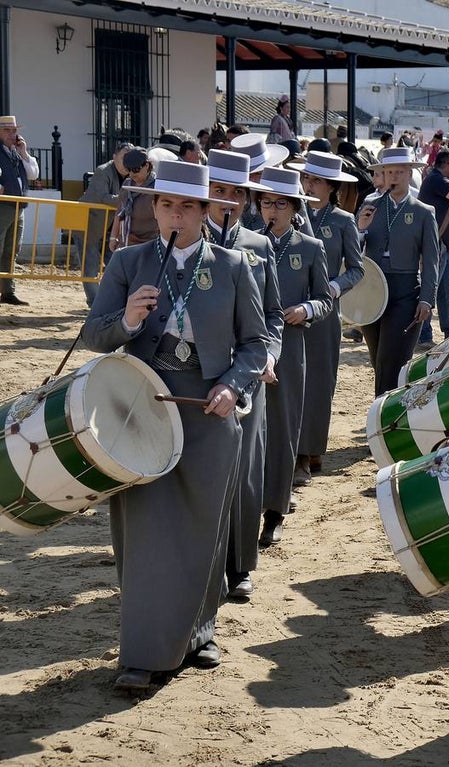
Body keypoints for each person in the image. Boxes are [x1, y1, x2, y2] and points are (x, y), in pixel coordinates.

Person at [80, 160, 266, 693]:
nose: (175, 215)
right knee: (145, 531)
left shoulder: (233, 266)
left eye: (187, 206)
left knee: (203, 527)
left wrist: (233, 385)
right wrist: (128, 320)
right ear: (153, 208)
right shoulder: (128, 261)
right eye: (165, 205)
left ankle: (199, 633)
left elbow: (256, 343)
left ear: (206, 212)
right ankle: (142, 654)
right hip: (139, 411)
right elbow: (93, 335)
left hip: (208, 412)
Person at [203, 149, 282, 600]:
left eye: (236, 193)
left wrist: (270, 354)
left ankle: (241, 566)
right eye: (219, 191)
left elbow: (273, 314)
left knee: (247, 470)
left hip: (249, 373)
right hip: (202, 375)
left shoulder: (259, 245)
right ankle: (205, 566)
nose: (228, 201)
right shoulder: (188, 242)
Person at [254, 167, 332, 548]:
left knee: (284, 428)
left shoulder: (310, 248)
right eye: (266, 202)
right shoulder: (248, 243)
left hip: (290, 345)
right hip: (251, 345)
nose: (272, 210)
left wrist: (306, 309)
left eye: (280, 204)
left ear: (295, 207)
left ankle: (276, 511)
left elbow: (325, 299)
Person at [291, 151, 365, 483]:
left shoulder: (343, 221)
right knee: (291, 380)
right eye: (306, 178)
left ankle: (310, 451)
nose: (309, 185)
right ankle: (290, 449)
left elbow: (356, 269)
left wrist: (334, 287)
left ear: (332, 187)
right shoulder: (292, 212)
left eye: (317, 180)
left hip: (325, 312)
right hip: (291, 306)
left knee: (320, 383)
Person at [358, 147, 439, 396]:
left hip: (405, 289)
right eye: (389, 172)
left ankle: (381, 410)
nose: (394, 177)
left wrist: (426, 298)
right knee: (378, 357)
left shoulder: (423, 212)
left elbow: (432, 259)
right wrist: (360, 228)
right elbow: (352, 249)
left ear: (409, 174)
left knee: (391, 358)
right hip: (372, 287)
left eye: (399, 172)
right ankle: (387, 403)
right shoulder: (370, 206)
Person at [416, 148, 449, 350]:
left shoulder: (439, 181)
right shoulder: (436, 179)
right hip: (436, 245)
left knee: (446, 292)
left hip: (444, 247)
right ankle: (423, 335)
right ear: (447, 164)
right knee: (430, 290)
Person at [78, 142, 135, 305]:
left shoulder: (131, 174)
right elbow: (103, 197)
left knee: (115, 265)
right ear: (114, 157)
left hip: (110, 229)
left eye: (129, 158)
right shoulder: (103, 171)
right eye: (123, 157)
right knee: (90, 266)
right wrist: (127, 198)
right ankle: (94, 302)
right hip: (89, 224)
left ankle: (111, 301)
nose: (126, 162)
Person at [0, 114, 40, 306]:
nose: (12, 134)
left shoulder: (17, 152)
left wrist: (24, 152)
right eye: (7, 130)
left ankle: (8, 291)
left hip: (18, 206)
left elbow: (33, 174)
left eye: (14, 130)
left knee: (12, 250)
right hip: (3, 206)